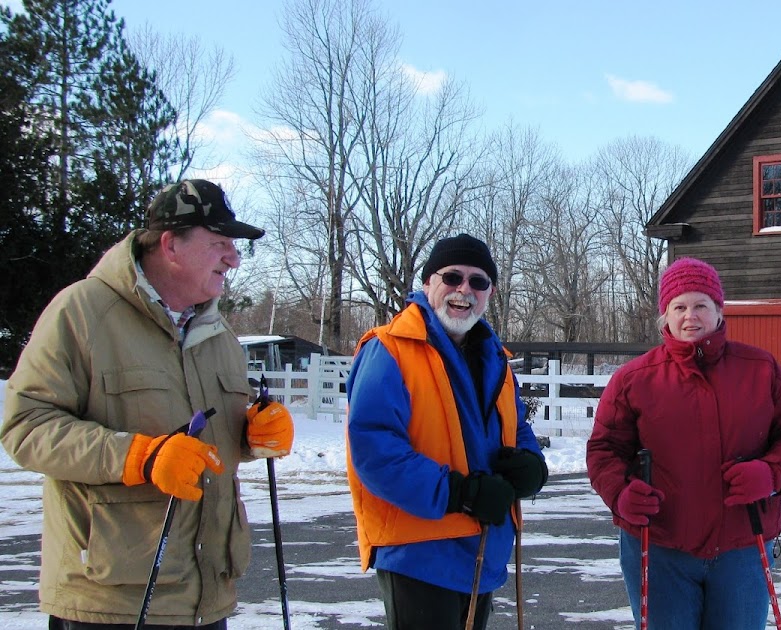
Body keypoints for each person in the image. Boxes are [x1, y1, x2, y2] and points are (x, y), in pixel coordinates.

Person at [1, 179, 295, 629]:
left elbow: (204, 443)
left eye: (233, 247)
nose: (233, 259)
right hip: (111, 599)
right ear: (170, 246)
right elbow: (26, 426)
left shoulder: (219, 336)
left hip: (206, 596)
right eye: (219, 243)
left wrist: (252, 436)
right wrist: (139, 456)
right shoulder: (81, 312)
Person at [587, 257, 781, 630]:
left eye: (700, 305)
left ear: (719, 310)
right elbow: (603, 449)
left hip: (743, 545)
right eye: (679, 307)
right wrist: (620, 493)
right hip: (660, 546)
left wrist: (772, 473)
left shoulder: (760, 368)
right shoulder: (634, 378)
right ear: (665, 315)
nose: (690, 316)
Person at [345, 233, 547, 630]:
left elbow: (516, 427)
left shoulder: (496, 359)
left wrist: (531, 465)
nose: (463, 290)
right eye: (452, 277)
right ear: (426, 284)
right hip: (419, 551)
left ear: (490, 292)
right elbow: (375, 450)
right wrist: (461, 494)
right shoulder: (389, 349)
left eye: (478, 281)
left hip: (483, 548)